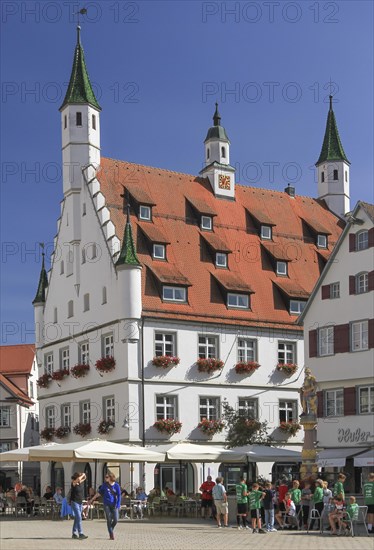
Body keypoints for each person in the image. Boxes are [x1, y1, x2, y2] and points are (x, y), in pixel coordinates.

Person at [90, 472, 121, 540]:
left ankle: (111, 529)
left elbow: (119, 496)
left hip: (114, 504)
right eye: (105, 477)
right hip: (106, 504)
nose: (105, 478)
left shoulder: (116, 485)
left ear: (110, 477)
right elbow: (99, 493)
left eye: (107, 477)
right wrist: (92, 499)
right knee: (109, 519)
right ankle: (111, 534)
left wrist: (118, 504)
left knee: (116, 519)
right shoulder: (104, 485)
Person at [70, 472, 88, 540]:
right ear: (77, 477)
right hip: (74, 502)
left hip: (80, 502)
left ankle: (74, 533)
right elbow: (78, 479)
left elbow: (84, 478)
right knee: (79, 517)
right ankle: (80, 533)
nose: (80, 478)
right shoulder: (73, 483)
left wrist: (84, 475)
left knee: (77, 518)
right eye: (79, 477)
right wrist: (82, 475)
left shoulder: (79, 482)